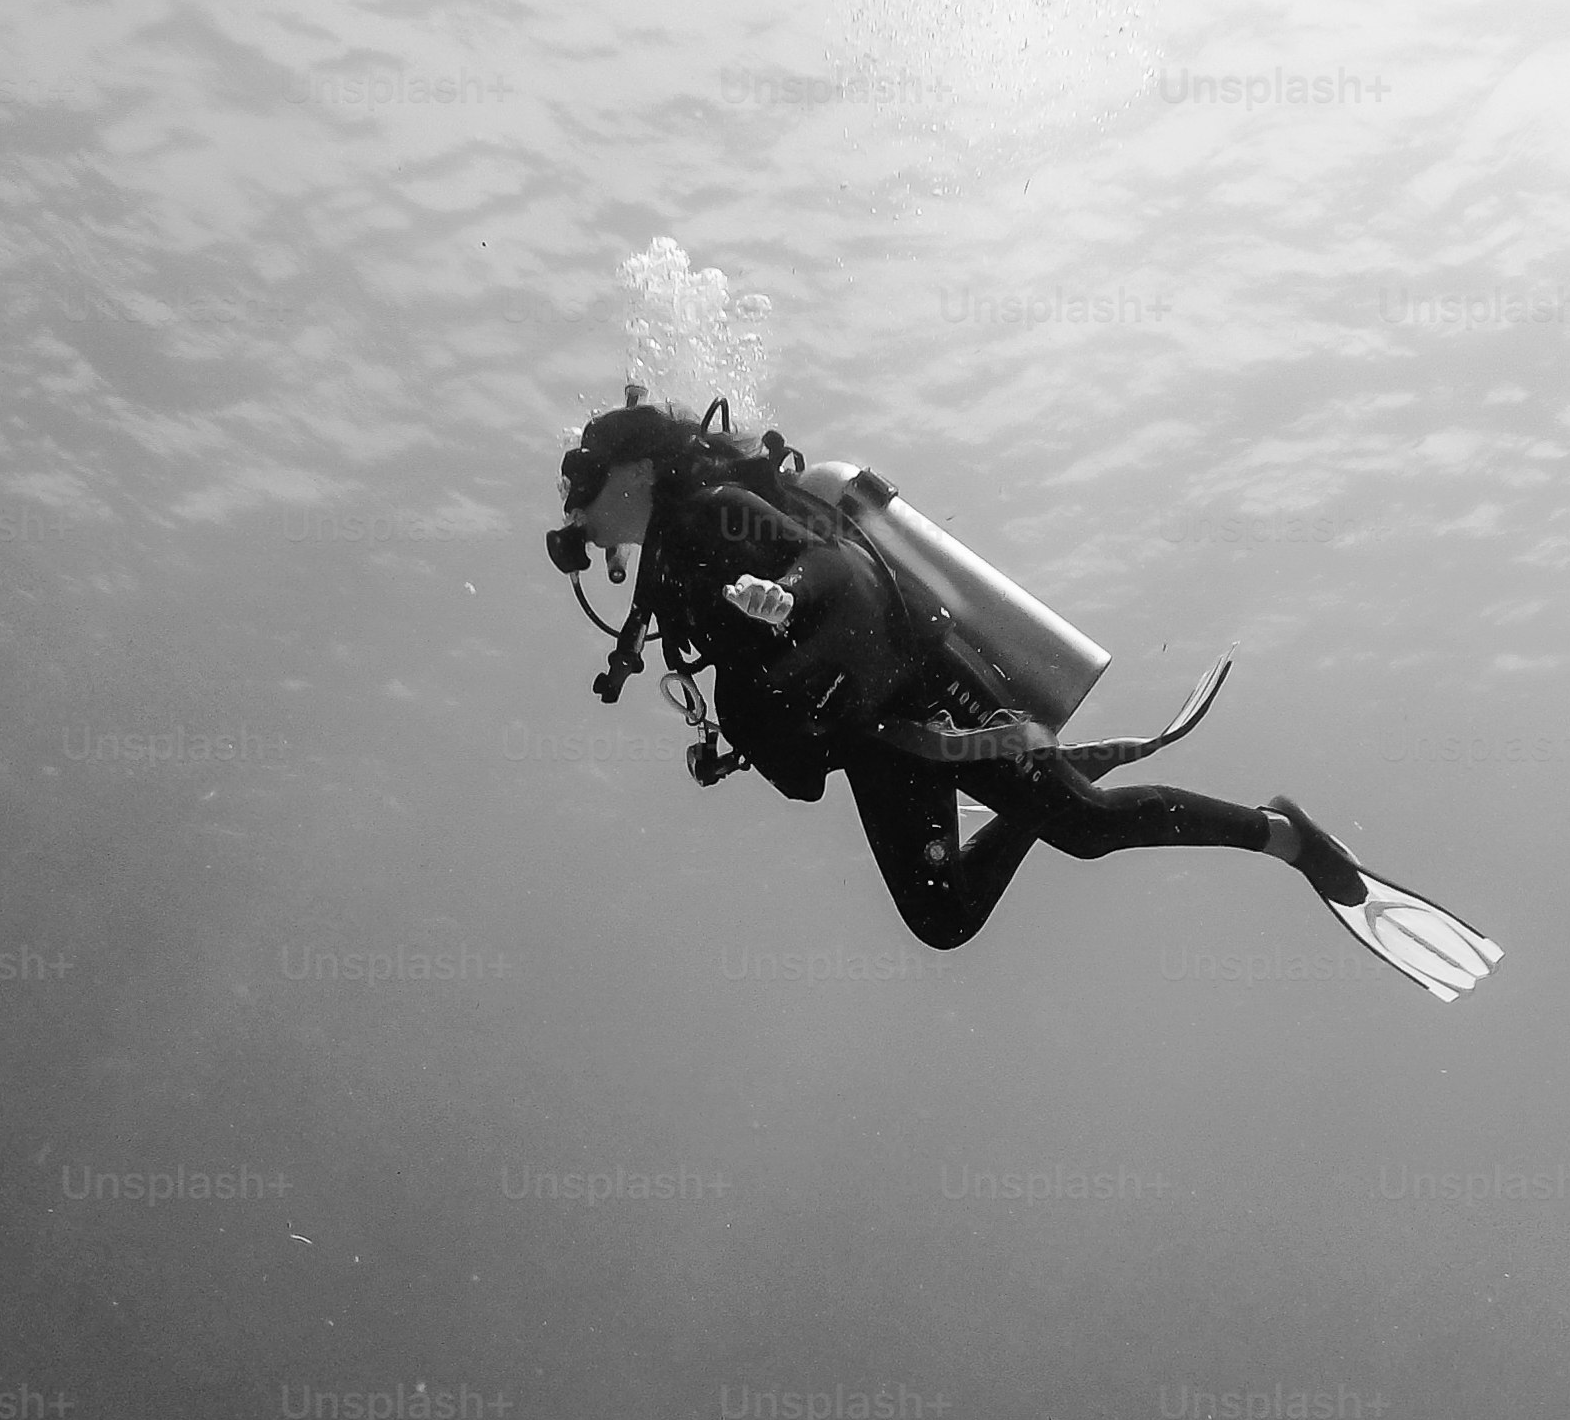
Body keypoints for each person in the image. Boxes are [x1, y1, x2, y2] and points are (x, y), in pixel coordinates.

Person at [544, 391, 1500, 998]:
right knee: (943, 918)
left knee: (1084, 827)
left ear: (636, 467)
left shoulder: (714, 511)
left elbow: (834, 565)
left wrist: (784, 592)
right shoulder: (669, 581)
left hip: (923, 684)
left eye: (582, 485)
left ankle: (1286, 835)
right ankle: (1048, 772)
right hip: (873, 735)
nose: (578, 513)